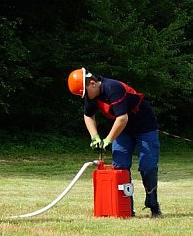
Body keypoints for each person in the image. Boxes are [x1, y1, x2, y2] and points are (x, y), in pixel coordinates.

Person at [67, 68, 162, 217]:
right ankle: (125, 209)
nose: (84, 98)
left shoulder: (112, 88)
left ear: (92, 83)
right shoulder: (92, 96)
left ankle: (153, 203)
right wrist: (95, 136)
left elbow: (122, 118)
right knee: (120, 167)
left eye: (83, 93)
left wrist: (108, 140)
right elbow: (88, 115)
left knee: (148, 166)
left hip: (145, 126)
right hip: (123, 130)